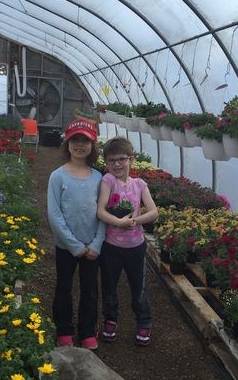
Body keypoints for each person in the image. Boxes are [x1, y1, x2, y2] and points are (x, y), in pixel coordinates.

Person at [47, 117, 105, 350]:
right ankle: (64, 330)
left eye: (85, 141)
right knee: (64, 288)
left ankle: (88, 331)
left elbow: (102, 213)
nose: (80, 145)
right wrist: (74, 245)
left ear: (93, 145)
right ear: (67, 144)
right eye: (75, 140)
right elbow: (54, 214)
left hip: (92, 248)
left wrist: (97, 244)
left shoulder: (99, 177)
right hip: (66, 247)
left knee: (90, 290)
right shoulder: (58, 176)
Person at [97, 137, 158, 346]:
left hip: (136, 246)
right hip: (111, 246)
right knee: (109, 287)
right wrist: (118, 222)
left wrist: (135, 221)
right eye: (111, 160)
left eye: (121, 159)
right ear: (106, 163)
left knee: (138, 287)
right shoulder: (108, 180)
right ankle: (110, 320)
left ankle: (144, 322)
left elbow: (154, 212)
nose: (117, 164)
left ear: (131, 159)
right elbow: (100, 211)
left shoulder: (139, 184)